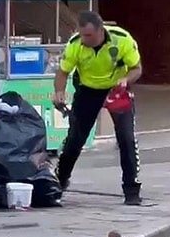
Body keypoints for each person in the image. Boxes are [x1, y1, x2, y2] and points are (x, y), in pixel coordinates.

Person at [52, 11, 143, 205]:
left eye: (89, 36)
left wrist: (126, 79)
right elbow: (62, 73)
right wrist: (59, 92)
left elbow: (137, 68)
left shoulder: (122, 40)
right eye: (82, 35)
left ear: (101, 31)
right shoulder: (75, 44)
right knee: (75, 139)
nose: (84, 39)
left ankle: (132, 190)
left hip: (116, 89)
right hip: (88, 90)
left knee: (126, 138)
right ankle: (59, 182)